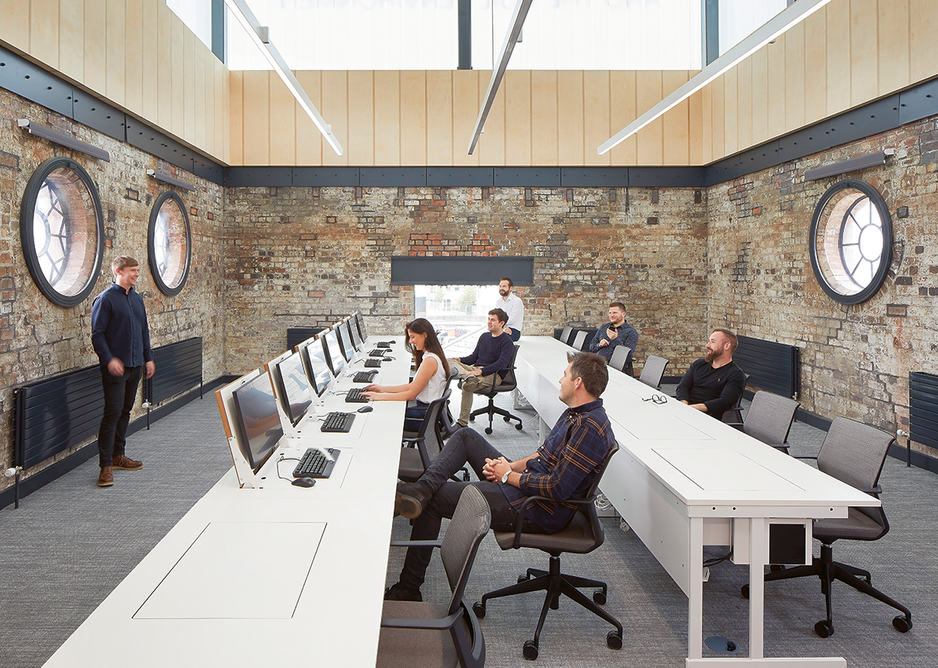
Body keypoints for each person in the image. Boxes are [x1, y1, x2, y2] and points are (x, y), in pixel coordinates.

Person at [385, 351, 617, 602]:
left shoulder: (588, 428)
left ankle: (409, 588)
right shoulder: (575, 412)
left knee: (436, 500)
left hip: (539, 508)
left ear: (578, 382)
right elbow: (542, 455)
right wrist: (510, 465)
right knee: (466, 437)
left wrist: (507, 476)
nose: (561, 380)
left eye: (565, 375)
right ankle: (421, 489)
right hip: (528, 485)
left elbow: (558, 488)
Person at [90, 256, 155, 488]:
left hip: (136, 365)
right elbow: (97, 334)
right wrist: (109, 360)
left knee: (125, 411)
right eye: (132, 271)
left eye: (137, 270)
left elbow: (144, 331)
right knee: (112, 413)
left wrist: (148, 359)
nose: (137, 274)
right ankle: (105, 466)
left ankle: (119, 455)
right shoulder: (105, 299)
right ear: (118, 271)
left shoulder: (137, 300)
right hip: (115, 369)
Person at [362, 318, 449, 432]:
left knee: (381, 417)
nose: (411, 341)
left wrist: (379, 397)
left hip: (424, 417)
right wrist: (382, 389)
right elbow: (412, 386)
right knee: (386, 410)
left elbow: (411, 395)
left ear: (424, 335)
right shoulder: (431, 356)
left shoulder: (430, 361)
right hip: (426, 413)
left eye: (413, 337)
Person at [449, 308, 514, 428]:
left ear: (501, 323)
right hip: (475, 370)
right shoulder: (484, 336)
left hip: (493, 375)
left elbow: (502, 364)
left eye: (493, 320)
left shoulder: (507, 341)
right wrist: (459, 360)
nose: (489, 322)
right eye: (488, 319)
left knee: (467, 385)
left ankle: (462, 423)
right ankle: (468, 376)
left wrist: (481, 371)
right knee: (448, 361)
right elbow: (473, 358)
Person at [675, 328, 746, 421]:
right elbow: (683, 386)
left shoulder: (736, 374)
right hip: (685, 410)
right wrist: (684, 404)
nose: (707, 345)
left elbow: (724, 402)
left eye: (712, 342)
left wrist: (693, 409)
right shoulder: (699, 364)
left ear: (727, 346)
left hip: (707, 418)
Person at [588, 302, 638, 374]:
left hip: (617, 370)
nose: (611, 315)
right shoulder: (604, 327)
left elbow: (627, 355)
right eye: (610, 313)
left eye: (615, 313)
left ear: (623, 314)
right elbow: (591, 347)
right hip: (598, 366)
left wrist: (615, 339)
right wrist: (599, 345)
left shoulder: (631, 332)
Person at [495, 277, 524, 342]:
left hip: (514, 331)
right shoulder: (498, 302)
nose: (501, 288)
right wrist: (502, 328)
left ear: (510, 288)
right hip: (501, 328)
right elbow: (496, 317)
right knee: (487, 336)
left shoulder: (517, 301)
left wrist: (501, 327)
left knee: (498, 338)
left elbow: (512, 319)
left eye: (504, 286)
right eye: (500, 286)